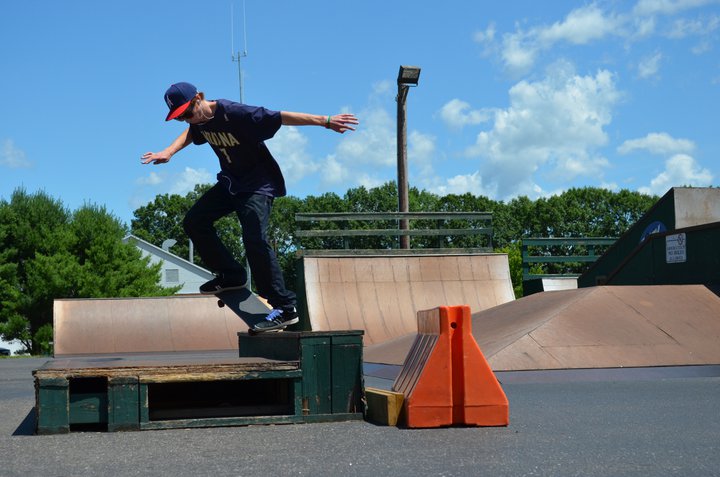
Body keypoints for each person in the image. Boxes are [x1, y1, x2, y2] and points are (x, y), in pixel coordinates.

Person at [142, 82, 358, 331]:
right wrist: (169, 151)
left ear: (199, 98)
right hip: (231, 183)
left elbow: (280, 117)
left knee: (254, 239)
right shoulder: (198, 121)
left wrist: (325, 121)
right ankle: (231, 275)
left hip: (258, 185)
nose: (189, 120)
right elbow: (192, 132)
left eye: (188, 113)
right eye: (181, 118)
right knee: (195, 221)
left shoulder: (236, 113)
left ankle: (285, 307)